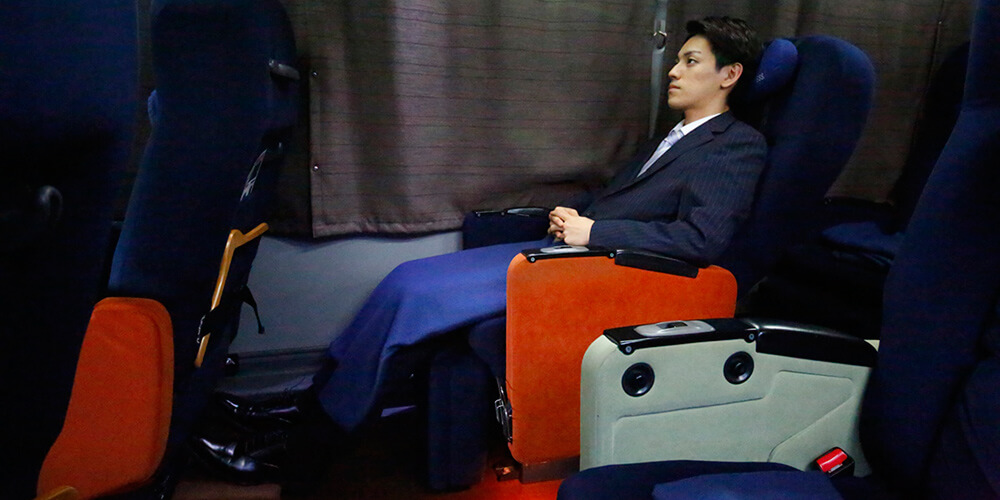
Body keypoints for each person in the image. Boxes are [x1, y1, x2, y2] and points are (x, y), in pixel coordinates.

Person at [196, 16, 766, 485]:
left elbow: (701, 240)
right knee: (408, 277)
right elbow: (625, 202)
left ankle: (304, 445)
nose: (674, 70)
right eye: (677, 59)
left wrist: (593, 234)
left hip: (602, 271)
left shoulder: (736, 146)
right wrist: (573, 215)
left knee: (417, 297)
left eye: (690, 61)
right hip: (568, 251)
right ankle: (298, 411)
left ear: (730, 74)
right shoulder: (670, 137)